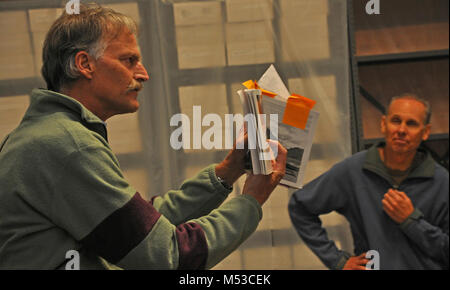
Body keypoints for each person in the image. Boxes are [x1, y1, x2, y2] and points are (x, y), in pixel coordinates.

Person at [0, 4, 287, 270]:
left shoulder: (48, 134)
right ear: (85, 64)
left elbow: (138, 225)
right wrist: (252, 200)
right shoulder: (69, 146)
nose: (144, 74)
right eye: (129, 60)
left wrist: (228, 172)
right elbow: (170, 255)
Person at [289, 94, 449, 270]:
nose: (402, 130)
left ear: (425, 132)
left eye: (411, 124)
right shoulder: (354, 171)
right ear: (383, 124)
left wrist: (412, 222)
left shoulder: (442, 182)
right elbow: (300, 207)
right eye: (396, 121)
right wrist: (338, 261)